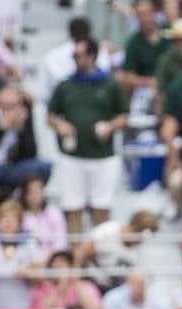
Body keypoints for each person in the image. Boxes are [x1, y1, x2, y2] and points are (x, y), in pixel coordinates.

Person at [48, 36, 129, 234]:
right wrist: (60, 124)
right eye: (74, 55)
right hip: (72, 157)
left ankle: (99, 255)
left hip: (102, 157)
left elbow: (124, 117)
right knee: (73, 209)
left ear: (92, 56)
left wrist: (109, 127)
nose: (76, 59)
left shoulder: (110, 85)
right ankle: (75, 258)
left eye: (79, 55)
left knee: (101, 209)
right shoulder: (65, 85)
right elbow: (51, 116)